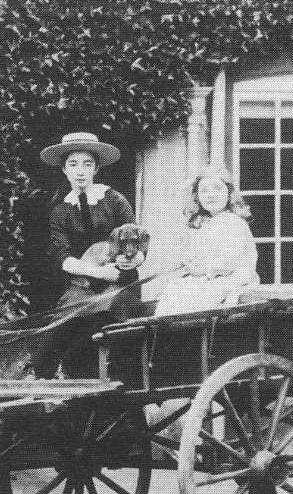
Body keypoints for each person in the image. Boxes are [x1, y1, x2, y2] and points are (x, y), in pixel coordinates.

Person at [29, 132, 138, 379]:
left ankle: (99, 391)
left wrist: (128, 260)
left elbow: (134, 241)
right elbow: (61, 256)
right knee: (51, 338)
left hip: (118, 287)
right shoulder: (60, 210)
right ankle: (48, 388)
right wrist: (94, 271)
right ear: (64, 170)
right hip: (81, 286)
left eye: (87, 164)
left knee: (87, 338)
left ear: (96, 168)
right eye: (73, 164)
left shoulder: (115, 201)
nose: (80, 171)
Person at [155, 168, 259, 317]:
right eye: (204, 191)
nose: (211, 195)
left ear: (229, 194)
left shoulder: (233, 222)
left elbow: (231, 260)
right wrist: (191, 262)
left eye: (217, 189)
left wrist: (202, 270)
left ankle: (184, 333)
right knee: (174, 288)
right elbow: (199, 255)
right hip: (211, 277)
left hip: (234, 277)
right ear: (197, 198)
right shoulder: (207, 224)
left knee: (191, 295)